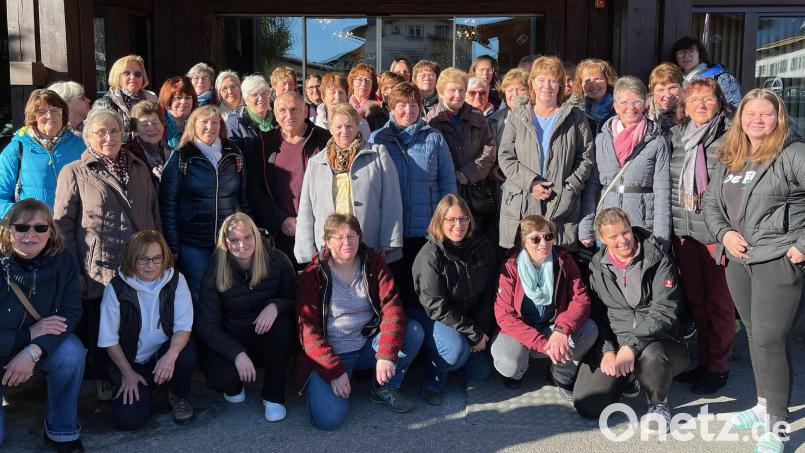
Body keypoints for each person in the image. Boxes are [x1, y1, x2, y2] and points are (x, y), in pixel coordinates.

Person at [703, 88, 805, 452]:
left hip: (777, 259)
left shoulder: (792, 153)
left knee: (770, 340)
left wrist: (801, 246)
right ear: (740, 118)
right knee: (754, 335)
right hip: (738, 261)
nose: (757, 120)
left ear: (779, 117)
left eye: (766, 114)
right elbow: (712, 203)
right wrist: (724, 234)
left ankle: (778, 425)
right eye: (750, 114)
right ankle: (763, 406)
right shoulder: (732, 154)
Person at [54, 108, 160, 403]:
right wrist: (73, 269)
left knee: (136, 321)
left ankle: (140, 375)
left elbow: (154, 213)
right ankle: (106, 378)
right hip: (100, 267)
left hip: (141, 263)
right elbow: (62, 225)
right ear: (87, 137)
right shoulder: (74, 171)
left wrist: (161, 255)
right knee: (102, 323)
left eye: (113, 131)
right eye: (100, 132)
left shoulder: (138, 167)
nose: (108, 137)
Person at [296, 213, 424, 429]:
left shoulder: (373, 264)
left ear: (360, 237)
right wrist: (334, 372)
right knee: (328, 420)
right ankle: (339, 379)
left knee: (413, 331)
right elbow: (308, 331)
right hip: (332, 353)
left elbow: (392, 308)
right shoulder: (313, 274)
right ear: (327, 241)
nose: (346, 243)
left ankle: (384, 387)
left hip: (367, 345)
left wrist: (386, 353)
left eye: (352, 235)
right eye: (338, 237)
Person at [574, 208, 688, 433]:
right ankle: (630, 377)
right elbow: (598, 315)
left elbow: (665, 311)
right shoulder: (597, 267)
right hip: (619, 342)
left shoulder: (658, 258)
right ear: (602, 240)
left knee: (653, 355)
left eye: (625, 232)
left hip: (660, 341)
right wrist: (606, 350)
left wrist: (631, 346)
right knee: (587, 405)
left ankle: (658, 404)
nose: (622, 240)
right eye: (613, 237)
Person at [0, 199, 85, 452]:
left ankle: (62, 429)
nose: (31, 235)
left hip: (36, 346)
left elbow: (70, 312)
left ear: (50, 232)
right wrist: (27, 335)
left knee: (71, 352)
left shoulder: (63, 260)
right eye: (22, 227)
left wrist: (32, 351)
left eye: (40, 228)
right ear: (8, 230)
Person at [197, 213, 297, 422]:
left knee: (284, 326)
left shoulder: (277, 259)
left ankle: (273, 396)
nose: (242, 245)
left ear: (256, 236)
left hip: (266, 338)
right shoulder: (215, 269)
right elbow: (207, 325)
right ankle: (236, 381)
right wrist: (236, 354)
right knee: (220, 379)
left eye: (247, 237)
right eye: (234, 240)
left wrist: (275, 306)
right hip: (232, 339)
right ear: (225, 242)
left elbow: (296, 298)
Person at [669, 78, 734, 395]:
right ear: (684, 105)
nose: (700, 105)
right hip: (684, 233)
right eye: (693, 99)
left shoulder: (731, 137)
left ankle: (719, 366)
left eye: (707, 99)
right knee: (696, 303)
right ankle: (704, 360)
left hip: (716, 234)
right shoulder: (677, 135)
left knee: (719, 303)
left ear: (719, 103)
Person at [369, 82, 456, 308]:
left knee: (425, 288)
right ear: (390, 108)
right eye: (402, 105)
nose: (408, 111)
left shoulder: (433, 137)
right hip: (392, 230)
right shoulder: (378, 139)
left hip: (426, 230)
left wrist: (447, 222)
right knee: (394, 290)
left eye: (414, 105)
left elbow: (447, 181)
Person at [98, 230, 196, 429]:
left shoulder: (176, 281)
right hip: (131, 360)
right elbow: (108, 340)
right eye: (143, 259)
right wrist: (127, 373)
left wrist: (171, 356)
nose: (151, 265)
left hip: (162, 354)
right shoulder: (116, 288)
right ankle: (150, 391)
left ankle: (178, 395)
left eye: (157, 258)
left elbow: (184, 326)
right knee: (128, 420)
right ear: (131, 258)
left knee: (187, 352)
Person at [491, 215, 598, 397]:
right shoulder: (510, 266)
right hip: (520, 332)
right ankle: (517, 374)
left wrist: (561, 330)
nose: (544, 243)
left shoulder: (564, 261)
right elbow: (504, 315)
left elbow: (581, 299)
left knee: (589, 330)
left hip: (553, 327)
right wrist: (541, 343)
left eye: (548, 237)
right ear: (523, 241)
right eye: (535, 239)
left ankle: (561, 374)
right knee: (509, 363)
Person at [498, 56, 594, 251]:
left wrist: (570, 188)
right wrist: (530, 183)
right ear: (532, 83)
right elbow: (506, 156)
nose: (546, 86)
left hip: (561, 203)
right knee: (522, 266)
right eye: (541, 80)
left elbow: (586, 157)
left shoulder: (575, 117)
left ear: (560, 86)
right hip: (522, 201)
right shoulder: (518, 115)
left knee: (558, 268)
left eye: (553, 81)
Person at [410, 194, 495, 404]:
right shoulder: (430, 255)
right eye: (451, 219)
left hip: (464, 317)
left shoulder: (481, 247)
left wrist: (481, 330)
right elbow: (435, 306)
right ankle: (433, 377)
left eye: (463, 218)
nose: (458, 225)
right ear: (440, 221)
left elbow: (487, 294)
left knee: (481, 371)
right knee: (455, 351)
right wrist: (472, 332)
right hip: (431, 317)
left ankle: (456, 359)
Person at [159, 105, 249, 301]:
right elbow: (168, 204)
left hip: (228, 239)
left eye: (215, 122)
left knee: (229, 290)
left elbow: (242, 197)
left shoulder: (233, 153)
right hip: (193, 240)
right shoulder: (182, 156)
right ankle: (200, 331)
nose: (210, 127)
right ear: (193, 125)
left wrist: (248, 230)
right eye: (204, 122)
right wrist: (173, 245)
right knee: (199, 292)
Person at [295, 103, 403, 264]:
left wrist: (389, 240)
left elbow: (392, 200)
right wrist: (306, 250)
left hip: (368, 242)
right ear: (330, 128)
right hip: (328, 246)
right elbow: (306, 208)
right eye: (338, 126)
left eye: (349, 125)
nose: (344, 131)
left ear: (358, 125)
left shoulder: (378, 154)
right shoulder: (316, 162)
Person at [579, 76, 671, 249]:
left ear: (645, 104)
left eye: (636, 101)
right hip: (607, 224)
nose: (631, 108)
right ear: (615, 105)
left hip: (642, 224)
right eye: (624, 102)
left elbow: (662, 191)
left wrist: (661, 238)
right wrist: (586, 227)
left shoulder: (656, 141)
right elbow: (592, 186)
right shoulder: (601, 140)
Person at [246, 92, 330, 266]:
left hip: (318, 231)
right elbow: (255, 189)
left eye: (294, 109)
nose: (288, 116)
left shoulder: (325, 140)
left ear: (305, 111)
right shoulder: (263, 144)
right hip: (280, 233)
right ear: (275, 114)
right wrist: (281, 219)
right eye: (282, 110)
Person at [427, 68, 496, 232]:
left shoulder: (477, 116)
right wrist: (452, 175)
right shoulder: (431, 121)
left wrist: (469, 173)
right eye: (452, 90)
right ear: (441, 92)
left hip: (476, 192)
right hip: (445, 194)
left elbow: (489, 148)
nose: (458, 95)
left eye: (461, 90)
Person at [0, 89, 84, 217]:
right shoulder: (16, 149)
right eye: (42, 112)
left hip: (75, 228)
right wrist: (26, 217)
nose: (50, 116)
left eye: (55, 110)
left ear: (63, 113)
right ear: (33, 116)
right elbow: (1, 197)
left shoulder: (81, 146)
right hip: (34, 230)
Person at [93, 54, 158, 142]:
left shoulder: (153, 100)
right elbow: (100, 138)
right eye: (127, 73)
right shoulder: (105, 103)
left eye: (138, 74)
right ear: (117, 76)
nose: (133, 77)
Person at [672, 36, 742, 108]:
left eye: (691, 51)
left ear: (700, 54)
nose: (686, 55)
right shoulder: (674, 80)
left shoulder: (721, 78)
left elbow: (733, 109)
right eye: (681, 52)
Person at [226, 74, 275, 162]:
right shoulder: (235, 124)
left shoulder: (278, 120)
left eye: (264, 93)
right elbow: (232, 160)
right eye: (254, 95)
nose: (260, 99)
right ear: (245, 99)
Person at [313, 72, 371, 143]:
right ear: (323, 97)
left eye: (341, 92)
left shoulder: (361, 123)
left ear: (347, 96)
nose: (338, 97)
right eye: (332, 93)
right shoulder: (313, 123)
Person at [124, 101, 170, 187]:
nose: (151, 128)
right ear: (136, 130)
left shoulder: (172, 153)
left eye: (155, 123)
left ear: (163, 125)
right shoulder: (128, 155)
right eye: (144, 125)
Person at [567, 58, 618, 134]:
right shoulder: (573, 110)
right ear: (581, 84)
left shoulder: (620, 108)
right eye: (587, 80)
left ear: (607, 80)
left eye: (597, 79)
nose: (593, 84)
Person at [488, 68, 529, 162]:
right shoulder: (493, 121)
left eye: (521, 89)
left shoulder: (539, 118)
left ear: (530, 92)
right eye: (510, 90)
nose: (515, 94)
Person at [158, 76, 197, 149]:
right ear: (168, 100)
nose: (184, 102)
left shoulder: (198, 123)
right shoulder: (158, 123)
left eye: (188, 97)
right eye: (178, 98)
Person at [646, 63, 683, 134]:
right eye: (661, 90)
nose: (667, 95)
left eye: (672, 88)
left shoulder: (691, 112)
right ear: (652, 91)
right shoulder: (643, 112)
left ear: (681, 87)